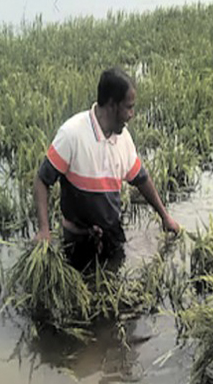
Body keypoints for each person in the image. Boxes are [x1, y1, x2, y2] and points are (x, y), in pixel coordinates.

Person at [33, 67, 180, 270]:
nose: (132, 114)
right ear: (112, 105)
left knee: (115, 284)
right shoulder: (72, 134)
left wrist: (165, 217)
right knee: (82, 293)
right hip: (78, 241)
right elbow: (42, 179)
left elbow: (142, 179)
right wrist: (44, 230)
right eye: (129, 107)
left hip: (111, 235)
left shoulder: (124, 139)